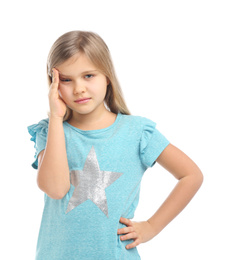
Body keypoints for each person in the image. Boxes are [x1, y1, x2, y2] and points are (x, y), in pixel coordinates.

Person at [27, 30, 203, 260]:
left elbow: (191, 175)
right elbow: (56, 188)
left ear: (107, 76)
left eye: (88, 75)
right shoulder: (50, 131)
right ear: (54, 85)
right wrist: (56, 119)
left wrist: (151, 226)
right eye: (67, 80)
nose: (78, 88)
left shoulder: (137, 132)